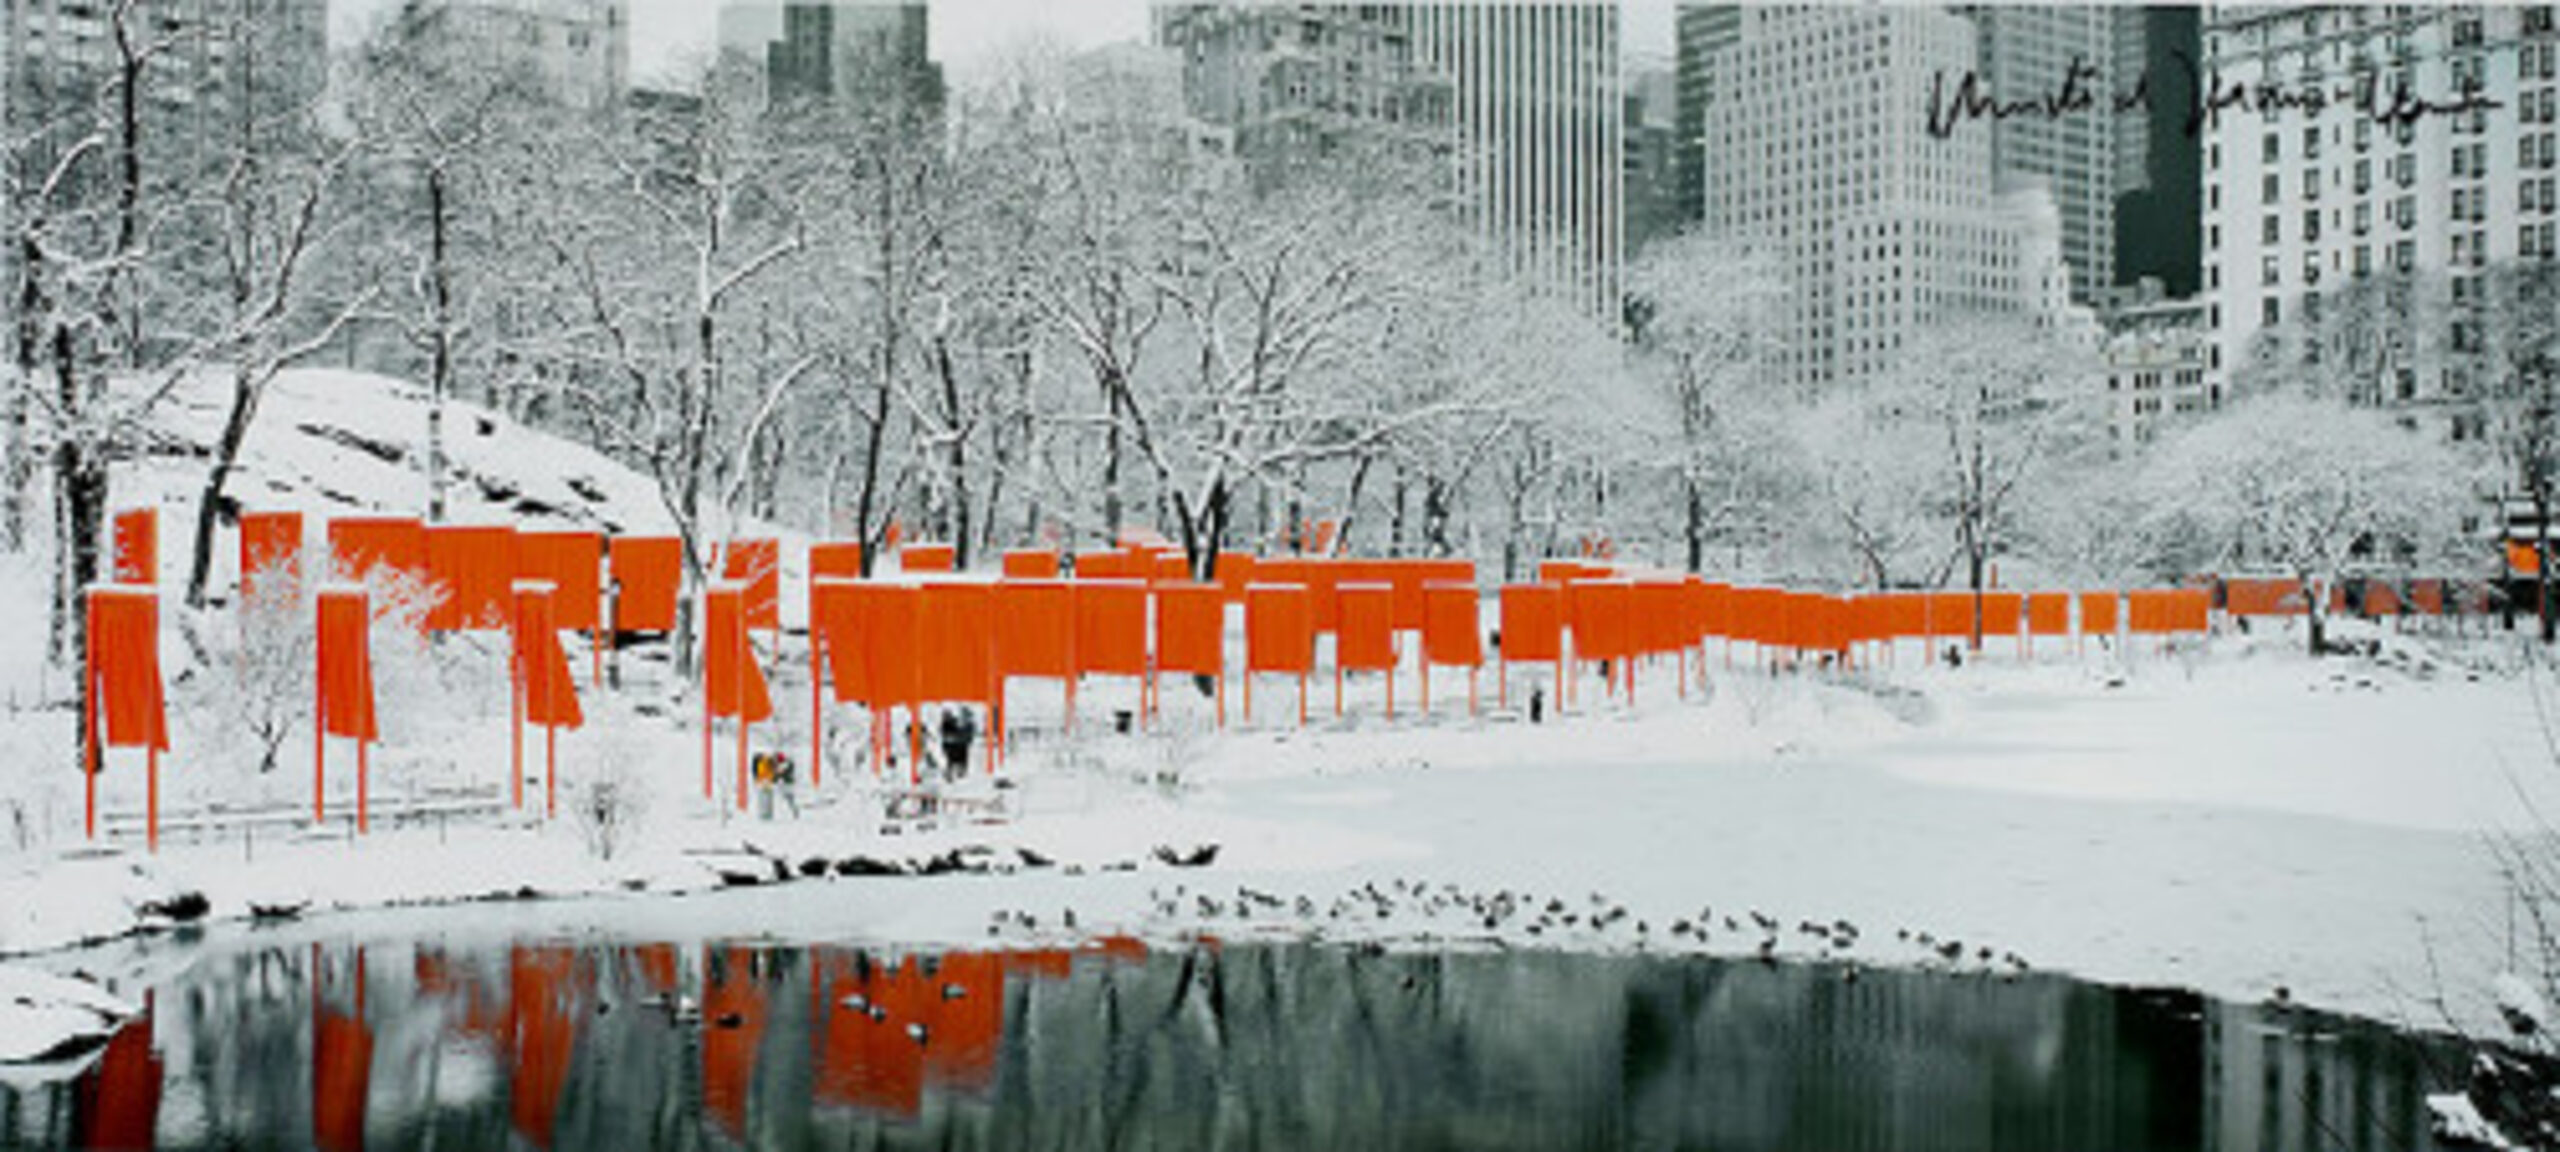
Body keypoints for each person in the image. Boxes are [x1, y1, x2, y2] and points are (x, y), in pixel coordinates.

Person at [939, 708, 978, 782]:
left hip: (957, 744)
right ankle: (954, 771)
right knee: (953, 758)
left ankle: (958, 770)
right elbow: (946, 735)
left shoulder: (956, 722)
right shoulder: (947, 724)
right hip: (953, 745)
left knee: (957, 756)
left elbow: (962, 733)